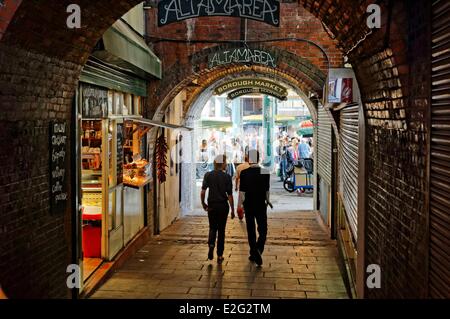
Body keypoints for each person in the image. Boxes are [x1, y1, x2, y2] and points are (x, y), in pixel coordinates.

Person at [237, 150, 272, 266]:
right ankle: (258, 249)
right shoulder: (265, 172)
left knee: (250, 229)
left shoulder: (244, 173)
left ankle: (254, 251)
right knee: (263, 230)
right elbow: (267, 190)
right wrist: (268, 201)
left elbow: (242, 192)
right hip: (261, 205)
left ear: (248, 159)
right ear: (259, 158)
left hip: (249, 205)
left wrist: (239, 206)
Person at [201, 155, 235, 264]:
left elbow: (203, 191)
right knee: (221, 231)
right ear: (223, 163)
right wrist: (233, 210)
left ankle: (211, 245)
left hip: (212, 205)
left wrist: (203, 203)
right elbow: (230, 195)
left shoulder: (208, 175)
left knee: (212, 227)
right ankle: (220, 255)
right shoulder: (227, 177)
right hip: (222, 206)